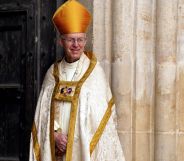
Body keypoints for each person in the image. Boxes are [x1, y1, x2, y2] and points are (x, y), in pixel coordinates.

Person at [29, 0, 125, 161]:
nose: (76, 45)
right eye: (71, 40)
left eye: (80, 40)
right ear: (61, 41)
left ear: (85, 41)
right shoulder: (52, 74)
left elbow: (102, 119)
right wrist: (54, 135)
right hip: (56, 151)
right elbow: (43, 114)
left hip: (83, 150)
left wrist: (78, 138)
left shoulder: (95, 74)